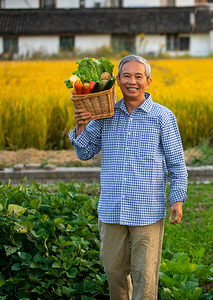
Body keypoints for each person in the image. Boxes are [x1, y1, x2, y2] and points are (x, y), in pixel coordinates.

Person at [68, 55, 188, 300]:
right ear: (118, 81)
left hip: (147, 209)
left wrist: (177, 198)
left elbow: (176, 162)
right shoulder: (106, 115)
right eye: (126, 76)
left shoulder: (162, 116)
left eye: (138, 76)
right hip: (112, 208)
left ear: (148, 81)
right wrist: (80, 126)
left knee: (145, 275)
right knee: (113, 270)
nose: (132, 81)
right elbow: (84, 152)